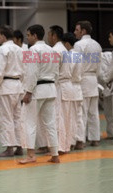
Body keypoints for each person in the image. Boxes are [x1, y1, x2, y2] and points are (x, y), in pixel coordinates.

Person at [20, 24, 60, 164]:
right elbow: (56, 72)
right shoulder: (52, 50)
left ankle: (31, 155)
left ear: (35, 36)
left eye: (28, 35)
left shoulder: (33, 50)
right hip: (50, 88)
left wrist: (28, 92)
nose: (27, 37)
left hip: (37, 90)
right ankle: (55, 154)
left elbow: (32, 73)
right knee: (50, 123)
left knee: (30, 122)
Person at [0, 25, 24, 157]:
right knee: (17, 118)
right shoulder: (19, 49)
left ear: (3, 35)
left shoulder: (2, 50)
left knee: (5, 118)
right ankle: (19, 146)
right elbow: (24, 69)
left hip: (6, 86)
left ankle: (9, 148)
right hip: (18, 86)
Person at [74, 21, 102, 148]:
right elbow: (100, 66)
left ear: (83, 31)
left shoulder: (79, 45)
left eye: (77, 30)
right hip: (93, 79)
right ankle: (95, 138)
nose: (75, 32)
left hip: (83, 78)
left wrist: (75, 79)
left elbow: (77, 64)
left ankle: (81, 140)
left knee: (82, 111)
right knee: (93, 112)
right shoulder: (97, 45)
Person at [61, 32, 83, 153]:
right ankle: (78, 140)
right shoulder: (79, 55)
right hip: (77, 87)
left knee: (69, 117)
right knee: (78, 116)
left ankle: (70, 142)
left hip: (70, 86)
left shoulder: (68, 55)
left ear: (67, 44)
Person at [47, 25, 67, 154]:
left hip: (56, 85)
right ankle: (61, 145)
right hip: (62, 85)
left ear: (54, 35)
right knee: (61, 116)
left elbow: (53, 71)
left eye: (49, 35)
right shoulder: (64, 49)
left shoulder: (55, 51)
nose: (48, 37)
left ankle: (58, 147)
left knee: (56, 116)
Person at [98, 51, 113, 139]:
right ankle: (112, 133)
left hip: (110, 84)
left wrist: (107, 83)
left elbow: (102, 75)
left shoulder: (108, 55)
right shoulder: (105, 56)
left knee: (112, 111)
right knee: (109, 111)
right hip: (104, 86)